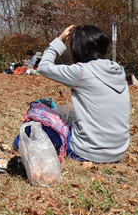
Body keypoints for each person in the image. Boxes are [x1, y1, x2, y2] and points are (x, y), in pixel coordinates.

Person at [37, 25, 131, 163]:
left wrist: (60, 39)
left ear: (78, 49)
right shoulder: (118, 71)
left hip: (88, 152)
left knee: (35, 123)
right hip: (119, 151)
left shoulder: (82, 71)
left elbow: (43, 67)